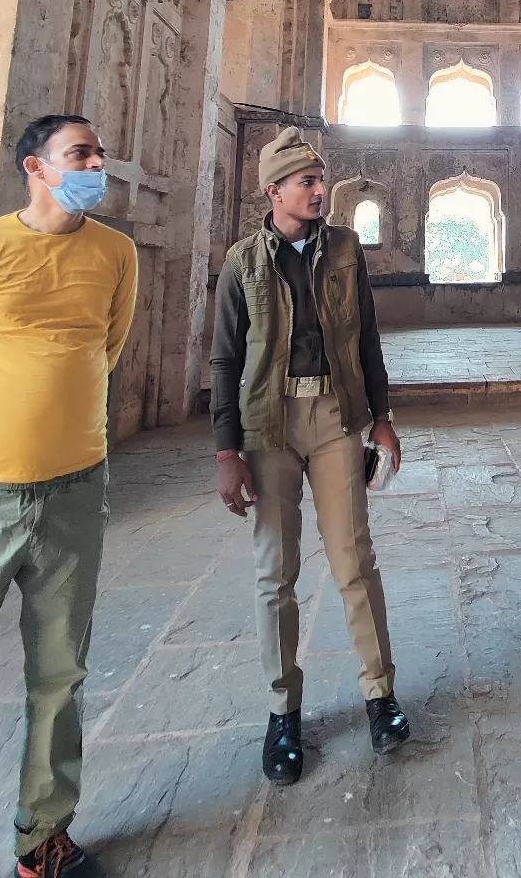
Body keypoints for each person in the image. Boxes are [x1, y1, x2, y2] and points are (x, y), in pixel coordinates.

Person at [0, 116, 138, 878]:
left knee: (60, 673)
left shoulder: (115, 253)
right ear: (35, 166)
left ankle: (41, 837)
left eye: (99, 152)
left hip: (76, 488)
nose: (96, 163)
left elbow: (106, 348)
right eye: (80, 153)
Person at [210, 127, 408, 784]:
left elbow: (369, 340)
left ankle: (379, 694)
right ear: (274, 191)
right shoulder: (243, 261)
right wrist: (225, 452)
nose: (319, 190)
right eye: (306, 182)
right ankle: (282, 711)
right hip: (267, 425)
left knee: (355, 560)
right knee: (277, 573)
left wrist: (382, 420)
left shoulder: (347, 249)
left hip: (333, 419)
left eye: (321, 180)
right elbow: (225, 360)